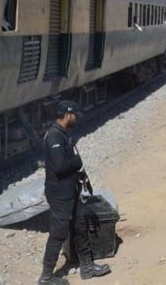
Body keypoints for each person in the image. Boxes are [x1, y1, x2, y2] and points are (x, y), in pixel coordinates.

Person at [38, 101, 111, 284]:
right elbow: (60, 166)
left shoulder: (62, 134)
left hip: (71, 190)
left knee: (79, 227)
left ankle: (87, 267)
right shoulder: (54, 137)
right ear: (67, 115)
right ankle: (46, 277)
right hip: (59, 194)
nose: (77, 118)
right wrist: (77, 162)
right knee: (59, 233)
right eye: (75, 115)